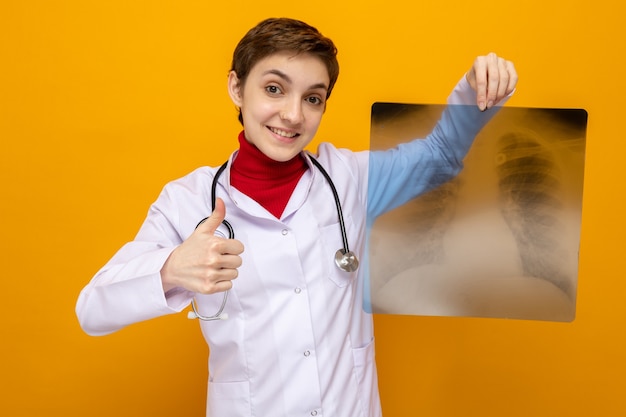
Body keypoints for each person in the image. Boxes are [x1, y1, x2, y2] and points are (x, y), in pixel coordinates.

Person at [76, 17, 517, 417]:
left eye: (313, 98)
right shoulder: (187, 202)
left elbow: (439, 155)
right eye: (273, 89)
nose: (293, 115)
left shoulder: (350, 179)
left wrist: (477, 89)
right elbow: (92, 309)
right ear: (236, 87)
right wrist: (171, 269)